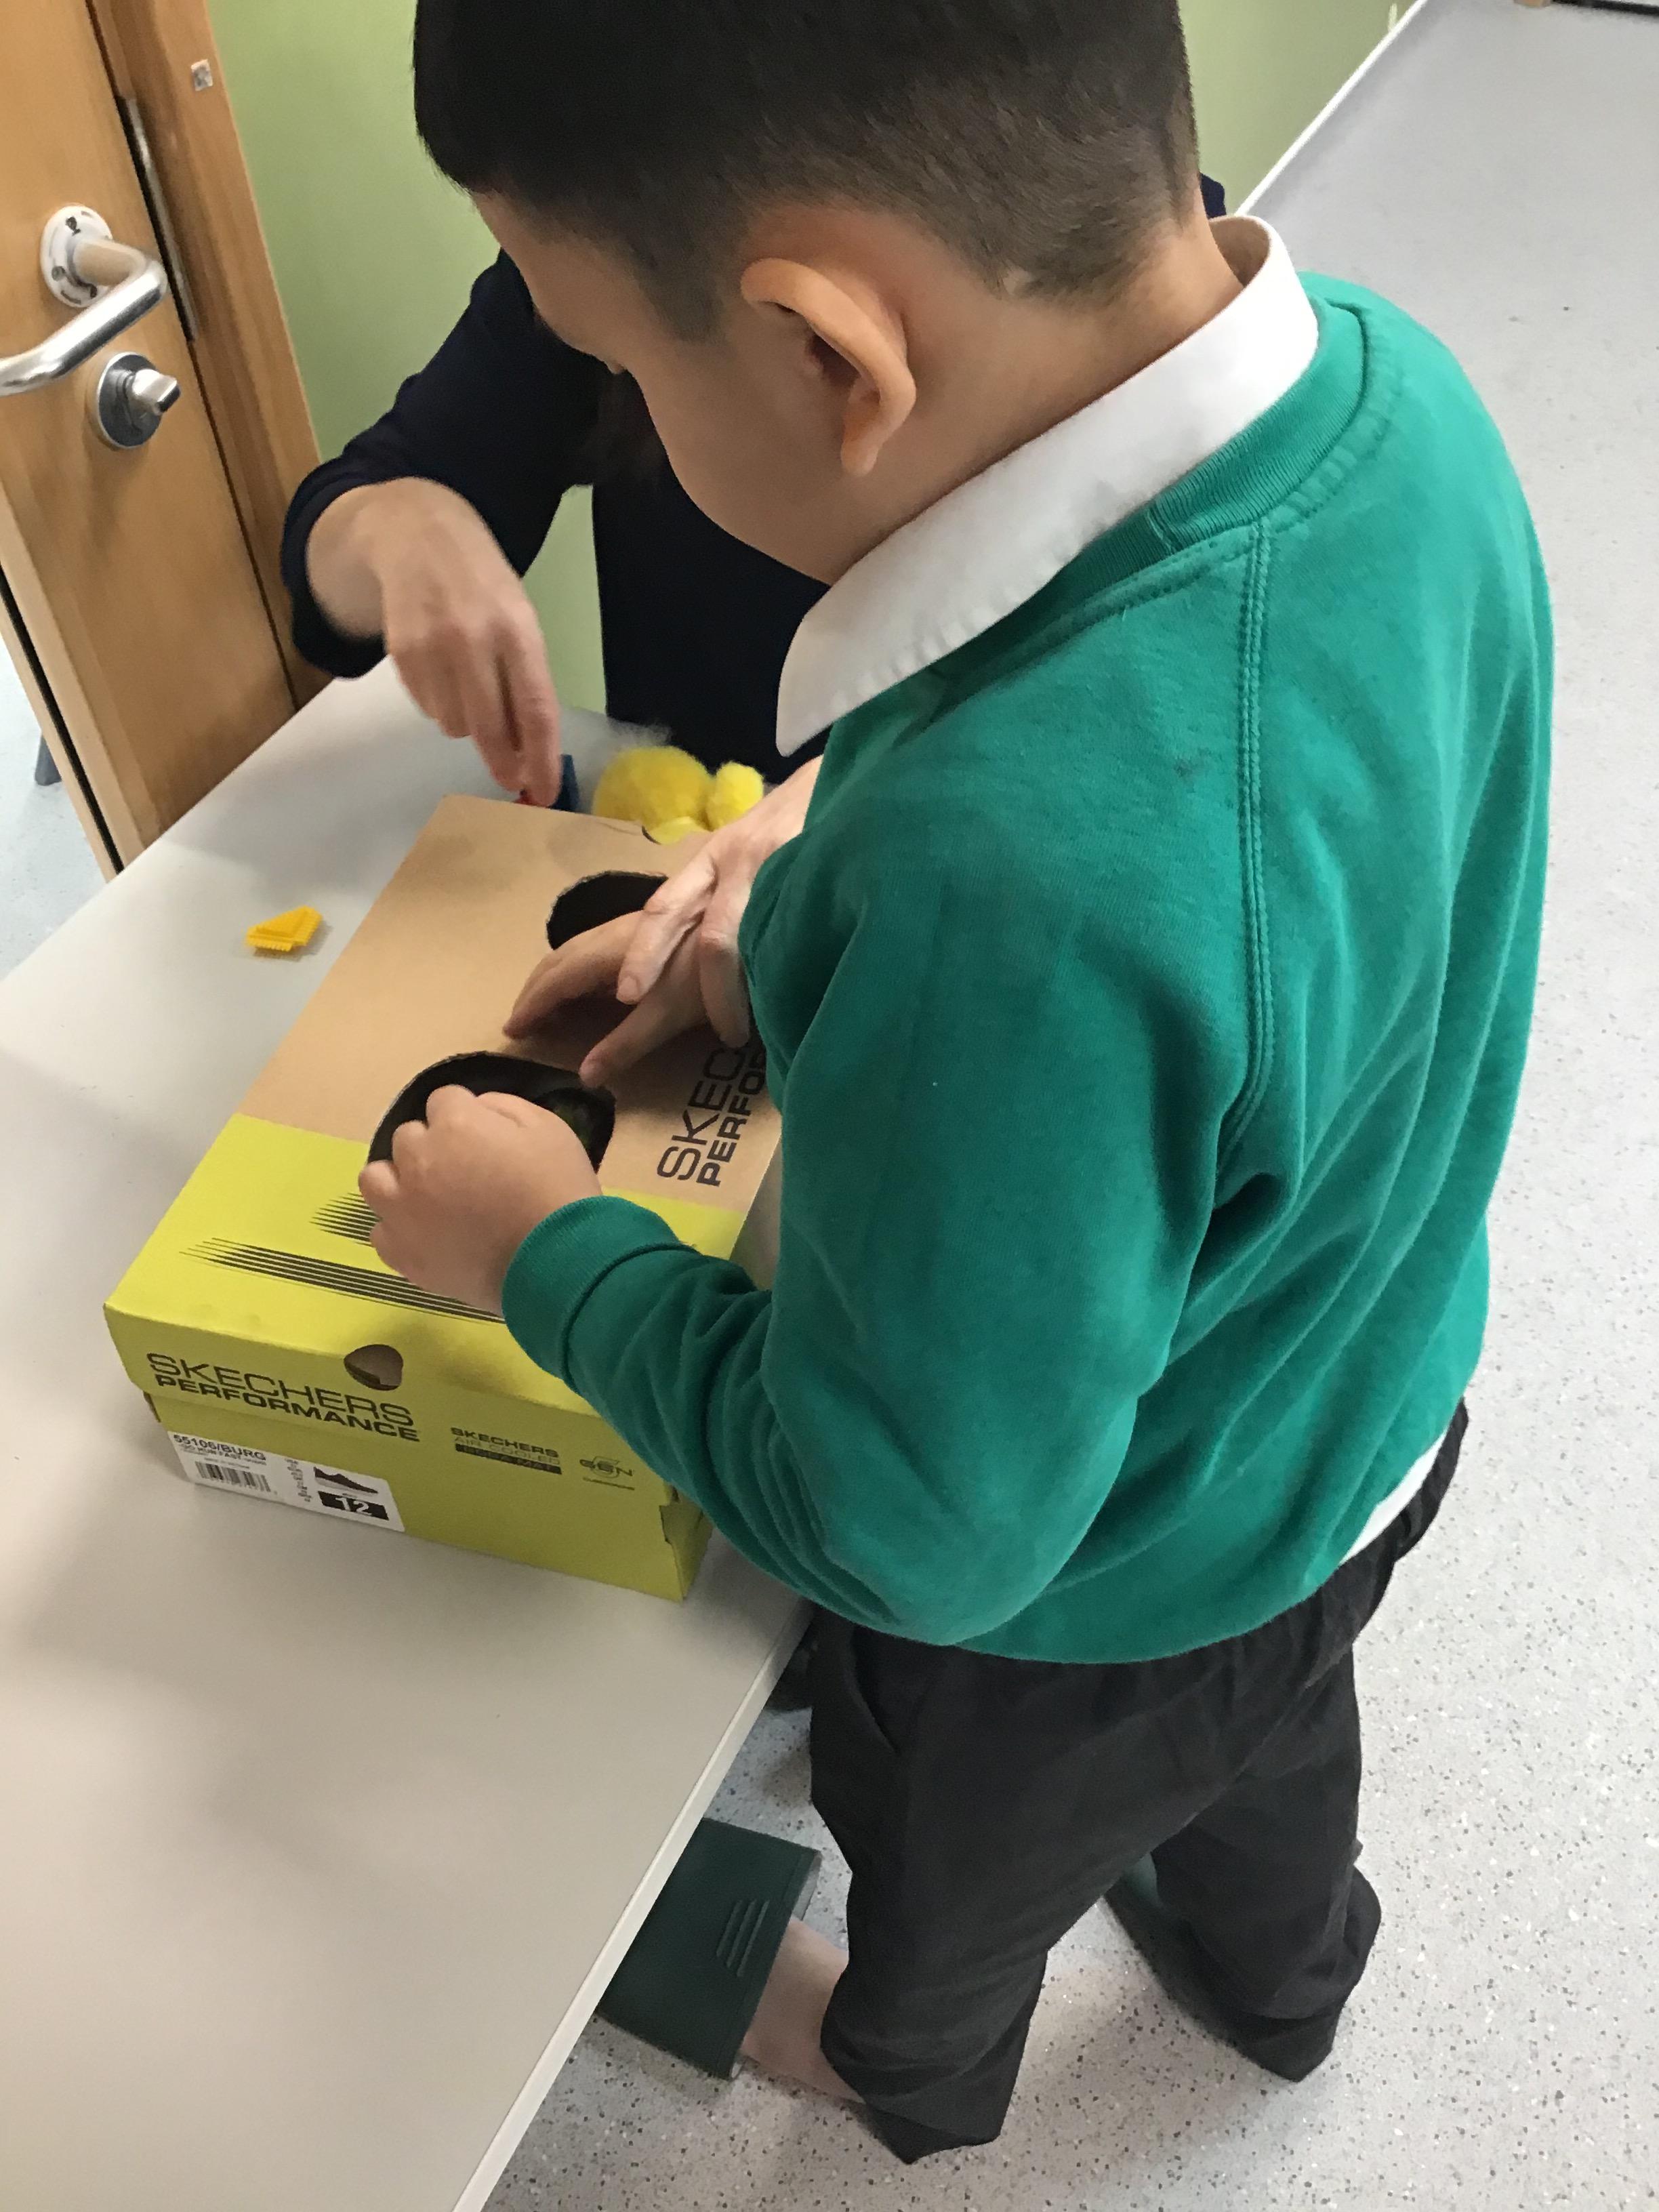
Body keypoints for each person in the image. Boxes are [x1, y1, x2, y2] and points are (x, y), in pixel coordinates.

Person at [361, 0, 1550, 2165]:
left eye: (621, 370)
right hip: (1355, 1422)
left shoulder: (999, 882)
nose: (627, 423)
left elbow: (907, 1530)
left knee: (962, 1876)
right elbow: (1265, 883)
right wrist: (795, 930)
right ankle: (1284, 1986)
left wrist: (543, 1251)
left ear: (829, 354)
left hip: (1083, 1627)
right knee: (1275, 1758)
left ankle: (905, 2066)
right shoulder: (1401, 392)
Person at [282, 170, 1227, 1061]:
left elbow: (1178, 709)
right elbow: (350, 522)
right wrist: (401, 523)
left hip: (934, 938)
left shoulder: (1122, 292)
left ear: (829, 351)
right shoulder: (610, 240)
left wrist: (880, 791)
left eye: (626, 358)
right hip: (696, 875)